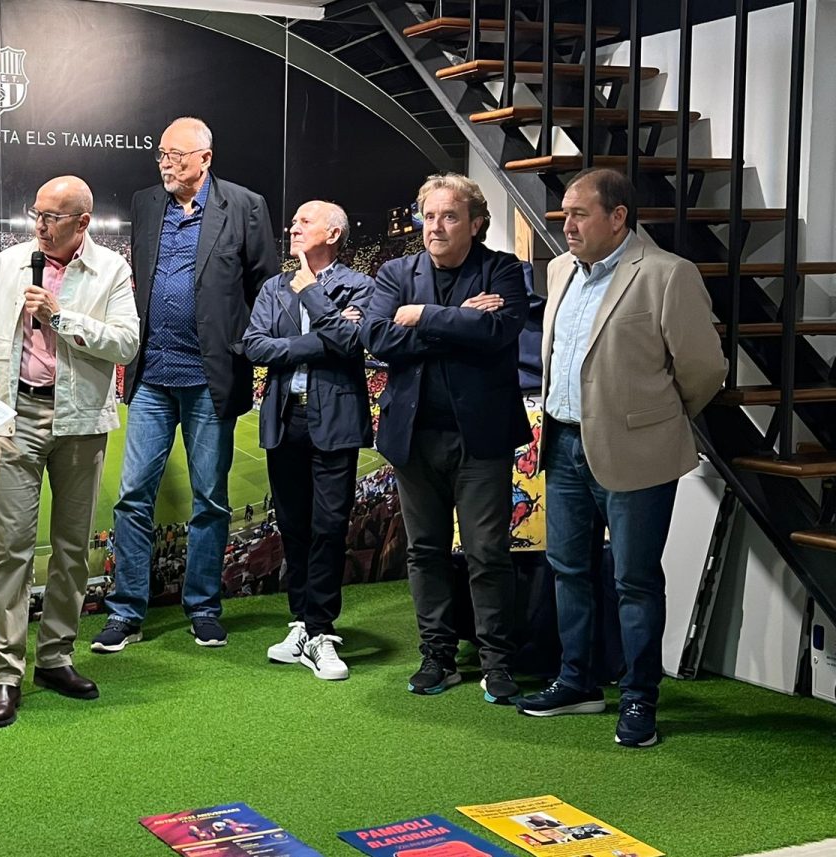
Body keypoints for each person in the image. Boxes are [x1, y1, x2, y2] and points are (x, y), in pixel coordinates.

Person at [514, 168, 726, 747]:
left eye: (579, 214)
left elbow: (704, 369)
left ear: (618, 217)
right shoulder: (560, 270)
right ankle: (576, 682)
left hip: (636, 452)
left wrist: (654, 420)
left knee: (635, 580)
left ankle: (639, 697)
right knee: (569, 570)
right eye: (564, 213)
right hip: (562, 444)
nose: (567, 224)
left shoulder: (666, 274)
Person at [0, 176, 139, 727]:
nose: (40, 226)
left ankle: (54, 659)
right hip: (14, 414)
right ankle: (5, 672)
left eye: (52, 217)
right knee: (10, 549)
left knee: (71, 548)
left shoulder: (111, 269)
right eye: (37, 214)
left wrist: (60, 317)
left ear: (82, 222)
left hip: (80, 421)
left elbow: (126, 343)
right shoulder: (6, 265)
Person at [95, 116, 278, 653]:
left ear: (205, 158)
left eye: (176, 155)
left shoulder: (245, 206)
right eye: (161, 154)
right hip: (152, 374)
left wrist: (242, 345)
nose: (166, 164)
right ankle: (126, 611)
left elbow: (265, 287)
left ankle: (203, 607)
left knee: (210, 500)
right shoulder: (146, 203)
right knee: (132, 495)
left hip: (210, 378)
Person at [362, 173, 529, 703]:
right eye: (428, 216)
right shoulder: (395, 272)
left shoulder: (503, 269)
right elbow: (377, 336)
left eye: (449, 216)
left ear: (475, 223)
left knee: (487, 553)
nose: (435, 226)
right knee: (425, 552)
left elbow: (498, 333)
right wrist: (458, 323)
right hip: (413, 438)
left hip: (480, 439)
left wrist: (423, 318)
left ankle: (497, 661)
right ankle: (437, 656)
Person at [242, 201, 373, 681]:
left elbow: (353, 343)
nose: (293, 227)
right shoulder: (272, 288)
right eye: (294, 221)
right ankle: (301, 622)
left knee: (330, 526)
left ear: (333, 233)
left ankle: (320, 629)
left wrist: (312, 295)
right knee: (294, 528)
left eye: (305, 221)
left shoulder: (359, 285)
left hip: (334, 418)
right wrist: (319, 342)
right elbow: (254, 345)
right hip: (285, 419)